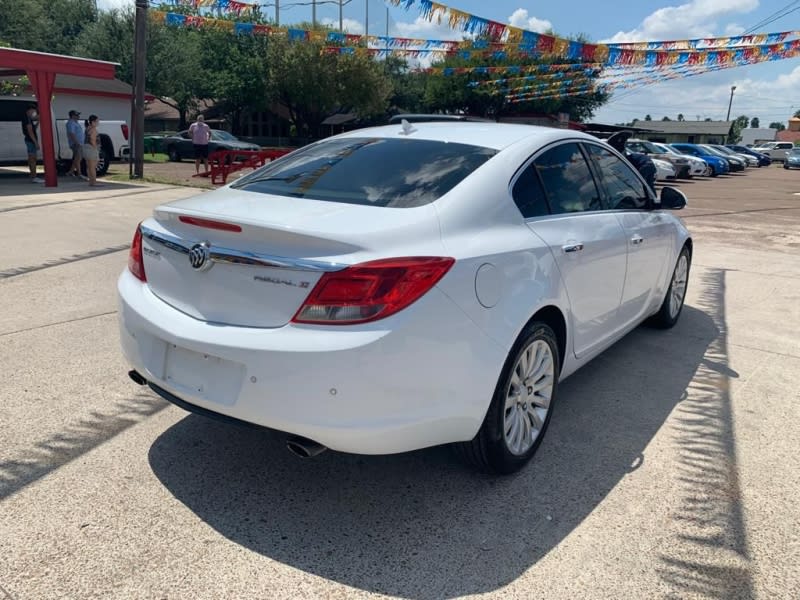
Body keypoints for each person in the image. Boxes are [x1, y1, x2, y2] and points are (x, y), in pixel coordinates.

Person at [21, 104, 44, 184]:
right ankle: (34, 177)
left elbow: (33, 129)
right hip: (30, 141)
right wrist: (36, 143)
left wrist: (38, 122)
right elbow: (30, 132)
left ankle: (32, 175)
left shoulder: (28, 119)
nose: (34, 113)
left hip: (29, 140)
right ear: (29, 110)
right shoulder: (27, 119)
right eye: (33, 111)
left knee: (31, 159)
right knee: (33, 159)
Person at [66, 109, 87, 180]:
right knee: (78, 158)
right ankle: (79, 174)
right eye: (77, 115)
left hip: (79, 143)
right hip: (76, 144)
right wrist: (76, 142)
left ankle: (71, 172)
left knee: (77, 158)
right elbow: (71, 133)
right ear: (72, 116)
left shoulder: (76, 123)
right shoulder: (71, 123)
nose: (78, 116)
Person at [82, 115, 101, 186]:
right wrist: (95, 148)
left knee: (89, 167)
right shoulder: (93, 129)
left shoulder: (87, 128)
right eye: (97, 121)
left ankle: (91, 182)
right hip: (91, 149)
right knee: (93, 167)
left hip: (86, 148)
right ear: (93, 122)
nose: (98, 123)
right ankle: (94, 182)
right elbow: (93, 140)